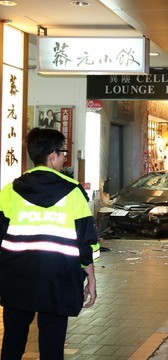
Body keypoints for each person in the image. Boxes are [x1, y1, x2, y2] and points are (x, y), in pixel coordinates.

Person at [0, 128, 100, 360]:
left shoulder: (10, 191)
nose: (65, 158)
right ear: (52, 156)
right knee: (52, 344)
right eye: (62, 153)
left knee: (13, 340)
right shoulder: (73, 192)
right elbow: (86, 243)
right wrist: (91, 279)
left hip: (16, 276)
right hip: (59, 276)